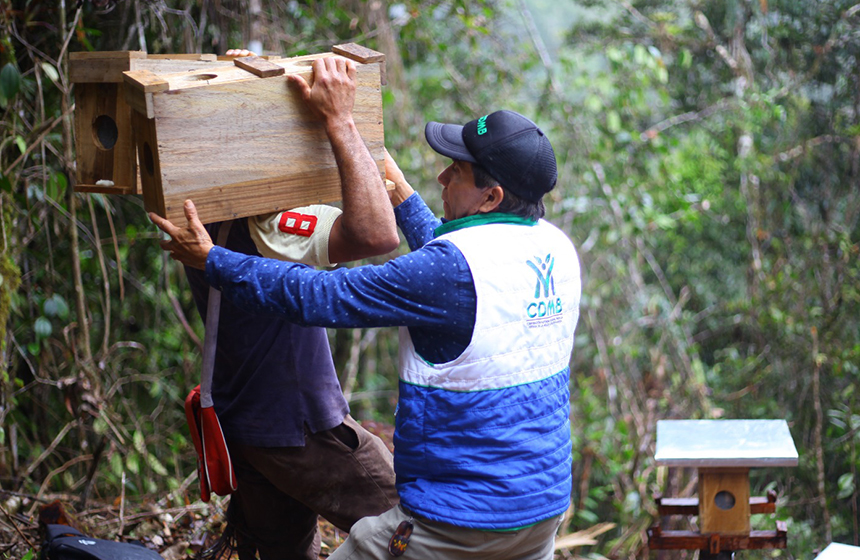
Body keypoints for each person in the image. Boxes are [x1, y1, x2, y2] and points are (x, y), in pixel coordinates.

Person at [154, 108, 581, 560]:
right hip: (541, 511)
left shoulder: (445, 273)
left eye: (456, 172)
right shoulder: (553, 248)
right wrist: (399, 194)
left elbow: (319, 295)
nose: (440, 177)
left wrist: (214, 259)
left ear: (491, 197)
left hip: (463, 522)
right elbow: (459, 267)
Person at [182, 54, 400, 560]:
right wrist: (340, 120)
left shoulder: (192, 207)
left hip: (243, 424)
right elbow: (376, 234)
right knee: (411, 525)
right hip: (300, 427)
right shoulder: (268, 222)